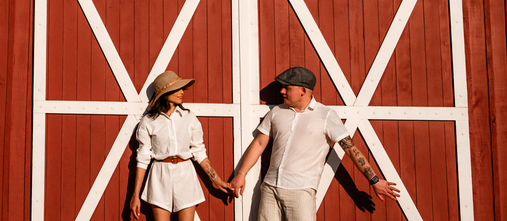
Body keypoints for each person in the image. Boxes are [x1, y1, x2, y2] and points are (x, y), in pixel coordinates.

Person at [229, 66, 401, 220]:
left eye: (287, 88)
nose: (281, 91)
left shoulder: (325, 115)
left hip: (301, 191)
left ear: (303, 90)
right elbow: (260, 143)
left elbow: (350, 149)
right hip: (270, 188)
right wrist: (241, 174)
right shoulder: (276, 112)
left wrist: (374, 180)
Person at [129, 70, 232, 221]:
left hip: (185, 175)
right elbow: (143, 158)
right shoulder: (148, 122)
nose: (182, 92)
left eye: (183, 88)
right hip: (159, 176)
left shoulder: (189, 118)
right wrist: (135, 195)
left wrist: (217, 180)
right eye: (178, 88)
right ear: (165, 92)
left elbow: (199, 152)